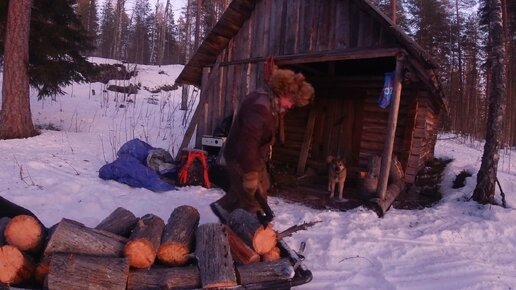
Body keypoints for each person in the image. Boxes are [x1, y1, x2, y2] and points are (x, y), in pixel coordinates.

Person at [211, 66, 315, 223]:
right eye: (290, 101)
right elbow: (248, 143)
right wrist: (250, 174)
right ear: (282, 92)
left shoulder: (272, 102)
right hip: (240, 156)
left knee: (263, 183)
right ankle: (249, 232)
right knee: (253, 198)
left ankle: (223, 207)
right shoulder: (259, 108)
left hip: (255, 155)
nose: (290, 106)